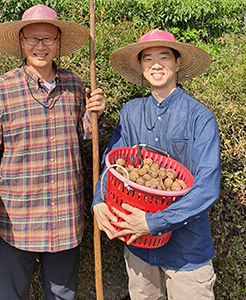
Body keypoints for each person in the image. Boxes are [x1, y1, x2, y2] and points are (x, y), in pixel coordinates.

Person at [0, 5, 105, 299]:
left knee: (62, 295)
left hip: (65, 220)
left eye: (47, 39)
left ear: (58, 42)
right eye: (33, 39)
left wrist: (95, 113)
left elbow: (83, 137)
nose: (40, 46)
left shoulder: (74, 84)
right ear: (21, 42)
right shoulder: (0, 91)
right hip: (15, 224)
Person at [92, 29, 220, 299]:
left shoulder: (200, 117)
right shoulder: (131, 112)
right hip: (139, 249)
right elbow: (112, 165)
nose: (156, 64)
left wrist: (153, 221)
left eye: (164, 57)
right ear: (140, 66)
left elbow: (207, 188)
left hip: (187, 252)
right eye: (148, 58)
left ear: (177, 63)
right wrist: (99, 200)